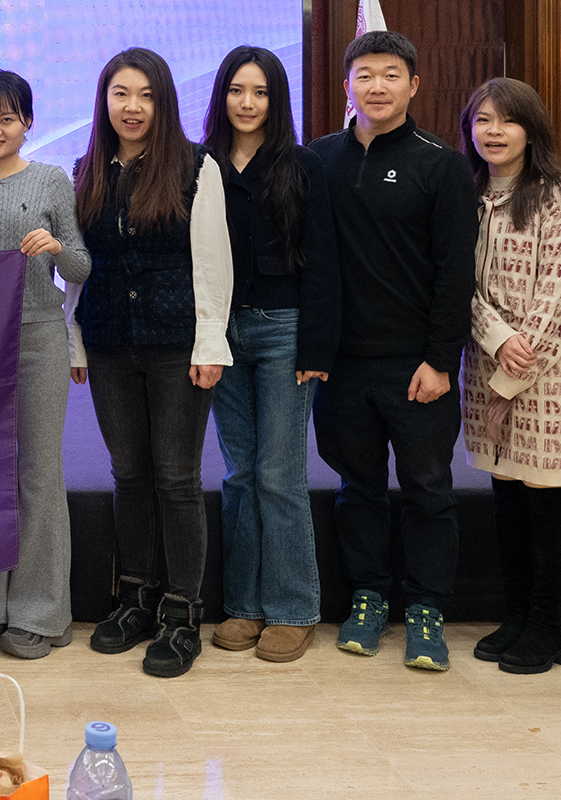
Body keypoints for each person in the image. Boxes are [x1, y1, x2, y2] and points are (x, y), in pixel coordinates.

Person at [308, 31, 477, 673]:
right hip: (341, 365)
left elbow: (455, 271)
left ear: (413, 85)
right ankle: (369, 596)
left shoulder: (441, 164)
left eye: (390, 75)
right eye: (365, 75)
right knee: (358, 487)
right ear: (346, 85)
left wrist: (441, 360)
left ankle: (427, 609)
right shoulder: (318, 159)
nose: (376, 87)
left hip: (416, 365)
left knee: (429, 488)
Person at [72, 47, 233, 679]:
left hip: (177, 346)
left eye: (145, 95)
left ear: (163, 102)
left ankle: (182, 612)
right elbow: (79, 268)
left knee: (176, 478)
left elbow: (213, 261)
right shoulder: (87, 169)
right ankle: (134, 598)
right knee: (129, 475)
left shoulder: (197, 166)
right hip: (109, 342)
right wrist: (75, 339)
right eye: (121, 94)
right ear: (104, 101)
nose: (132, 107)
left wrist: (210, 343)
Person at [200, 46, 339, 664]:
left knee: (279, 473)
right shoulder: (200, 165)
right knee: (239, 473)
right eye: (236, 90)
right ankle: (243, 605)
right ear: (221, 96)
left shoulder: (302, 166)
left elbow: (324, 260)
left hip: (285, 330)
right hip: (221, 332)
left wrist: (316, 345)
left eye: (259, 92)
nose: (247, 102)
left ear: (276, 99)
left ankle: (292, 609)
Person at [0, 69, 89, 661]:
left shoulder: (52, 179)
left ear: (28, 122)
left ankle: (41, 612)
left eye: (7, 118)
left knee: (38, 473)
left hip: (39, 337)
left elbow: (81, 264)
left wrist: (56, 248)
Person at [459, 77, 561, 675]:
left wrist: (518, 355)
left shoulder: (556, 194)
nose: (494, 132)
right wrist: (496, 338)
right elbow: (455, 281)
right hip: (486, 361)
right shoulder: (465, 193)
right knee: (507, 494)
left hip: (548, 366)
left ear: (531, 129)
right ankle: (515, 616)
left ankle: (547, 626)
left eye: (507, 120)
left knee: (544, 497)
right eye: (483, 120)